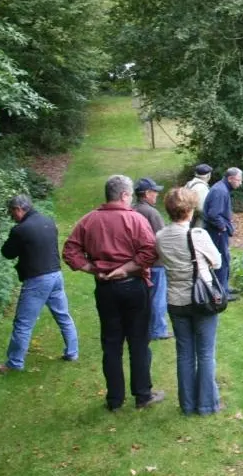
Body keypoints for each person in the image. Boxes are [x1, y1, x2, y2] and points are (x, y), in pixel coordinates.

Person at [62, 175, 163, 410]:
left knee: (111, 343)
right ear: (124, 195)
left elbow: (70, 251)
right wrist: (126, 268)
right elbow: (150, 251)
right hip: (133, 286)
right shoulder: (135, 220)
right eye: (130, 195)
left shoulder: (89, 220)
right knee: (139, 342)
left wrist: (93, 269)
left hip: (106, 288)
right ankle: (142, 395)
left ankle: (115, 400)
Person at [156, 187, 224, 415]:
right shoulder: (198, 235)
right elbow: (217, 261)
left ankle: (187, 404)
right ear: (189, 210)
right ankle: (206, 404)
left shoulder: (160, 236)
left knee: (184, 353)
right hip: (201, 300)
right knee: (205, 353)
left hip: (175, 301)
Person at [0, 194, 78, 374]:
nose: (12, 216)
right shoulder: (49, 222)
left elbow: (7, 253)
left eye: (12, 212)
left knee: (23, 323)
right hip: (56, 275)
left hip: (37, 279)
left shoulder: (21, 230)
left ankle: (14, 363)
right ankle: (72, 352)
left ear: (18, 209)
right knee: (63, 315)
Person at [133, 177, 171, 340]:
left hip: (138, 262)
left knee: (144, 298)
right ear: (147, 193)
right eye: (155, 192)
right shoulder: (151, 212)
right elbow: (162, 238)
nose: (157, 195)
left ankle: (143, 328)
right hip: (155, 263)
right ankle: (158, 330)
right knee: (158, 298)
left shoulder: (132, 209)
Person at [204, 167, 242, 301]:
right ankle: (221, 292)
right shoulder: (220, 191)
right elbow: (213, 214)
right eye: (239, 180)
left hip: (218, 231)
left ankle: (224, 287)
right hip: (217, 232)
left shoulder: (222, 188)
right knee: (220, 260)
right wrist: (223, 227)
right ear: (230, 178)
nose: (240, 183)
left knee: (224, 258)